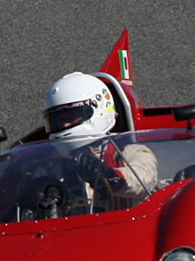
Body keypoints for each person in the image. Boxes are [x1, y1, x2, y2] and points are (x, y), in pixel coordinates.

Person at [43, 71, 159, 200]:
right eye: (58, 119)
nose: (64, 125)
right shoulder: (54, 161)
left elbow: (143, 180)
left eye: (71, 116)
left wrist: (105, 175)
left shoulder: (132, 151)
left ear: (98, 108)